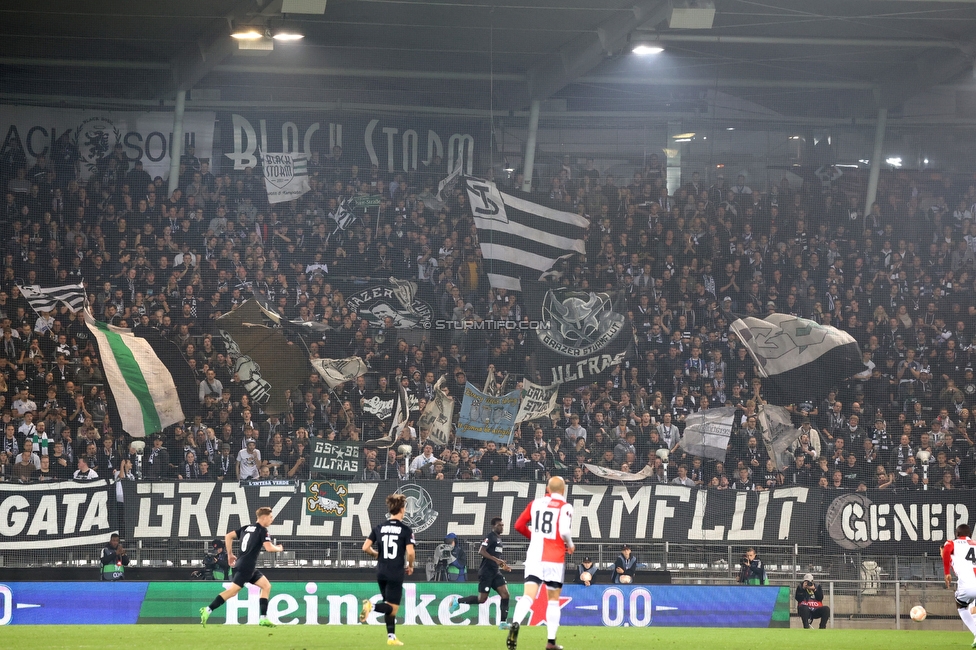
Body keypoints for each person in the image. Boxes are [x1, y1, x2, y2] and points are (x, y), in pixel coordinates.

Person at [509, 476, 575, 650]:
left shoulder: (535, 503)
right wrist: (570, 544)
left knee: (528, 595)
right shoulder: (565, 507)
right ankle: (551, 642)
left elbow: (518, 525)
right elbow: (564, 530)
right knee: (553, 600)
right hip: (553, 557)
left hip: (534, 556)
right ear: (563, 490)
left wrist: (534, 536)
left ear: (547, 488)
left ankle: (515, 623)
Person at [199, 506, 284, 627]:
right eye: (270, 517)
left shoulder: (246, 528)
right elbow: (269, 548)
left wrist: (229, 554)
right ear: (264, 518)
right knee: (232, 592)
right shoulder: (262, 530)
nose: (272, 519)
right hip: (247, 567)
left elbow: (228, 536)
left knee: (266, 586)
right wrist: (279, 548)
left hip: (245, 565)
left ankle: (263, 618)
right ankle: (207, 610)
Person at [360, 493, 416, 647]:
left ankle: (391, 637)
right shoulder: (405, 530)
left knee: (388, 605)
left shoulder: (379, 527)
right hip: (395, 572)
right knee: (392, 608)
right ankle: (371, 606)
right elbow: (410, 552)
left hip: (381, 571)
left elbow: (365, 547)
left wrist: (376, 554)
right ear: (402, 509)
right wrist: (410, 566)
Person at [449, 517, 513, 628]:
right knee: (481, 599)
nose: (501, 527)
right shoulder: (490, 537)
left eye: (502, 525)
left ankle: (503, 623)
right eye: (499, 525)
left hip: (495, 572)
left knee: (505, 594)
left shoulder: (499, 540)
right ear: (493, 526)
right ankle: (457, 600)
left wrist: (503, 566)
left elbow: (496, 558)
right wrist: (497, 561)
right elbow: (481, 551)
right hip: (486, 572)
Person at [942, 523, 976, 644]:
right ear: (970, 535)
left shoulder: (952, 543)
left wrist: (946, 573)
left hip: (968, 586)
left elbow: (946, 551)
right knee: (973, 607)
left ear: (957, 534)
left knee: (961, 606)